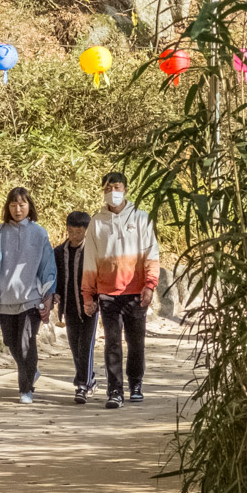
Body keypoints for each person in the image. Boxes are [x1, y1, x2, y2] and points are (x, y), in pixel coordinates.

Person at [82, 171, 160, 409]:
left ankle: (135, 384)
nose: (112, 192)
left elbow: (151, 253)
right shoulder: (97, 222)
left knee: (136, 342)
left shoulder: (141, 218)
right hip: (107, 293)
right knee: (112, 343)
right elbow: (90, 259)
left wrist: (150, 284)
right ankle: (115, 391)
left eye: (116, 187)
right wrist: (88, 293)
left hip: (136, 292)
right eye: (107, 188)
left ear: (125, 189)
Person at [0, 187, 57, 404]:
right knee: (11, 343)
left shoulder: (39, 233)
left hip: (31, 298)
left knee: (26, 343)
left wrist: (48, 294)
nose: (17, 209)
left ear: (30, 206)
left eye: (22, 204)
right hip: (4, 299)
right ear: (7, 207)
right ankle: (30, 370)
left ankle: (25, 389)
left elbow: (48, 266)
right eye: (13, 205)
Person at [51, 210, 100, 404]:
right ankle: (90, 379)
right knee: (75, 346)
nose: (74, 235)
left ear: (86, 231)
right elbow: (54, 278)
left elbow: (100, 278)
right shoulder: (58, 252)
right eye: (71, 231)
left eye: (79, 232)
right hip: (69, 307)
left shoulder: (93, 251)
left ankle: (82, 385)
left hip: (89, 307)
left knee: (86, 346)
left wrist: (97, 301)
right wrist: (54, 294)